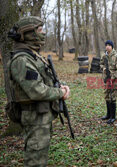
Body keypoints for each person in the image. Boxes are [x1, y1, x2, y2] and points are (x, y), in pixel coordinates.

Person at [7, 16, 70, 166]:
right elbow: (37, 90)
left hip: (40, 116)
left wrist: (58, 87)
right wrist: (61, 93)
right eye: (40, 30)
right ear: (28, 33)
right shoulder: (22, 60)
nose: (43, 33)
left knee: (40, 156)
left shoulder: (32, 56)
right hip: (34, 116)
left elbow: (42, 81)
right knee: (35, 160)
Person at [100, 40, 117, 124]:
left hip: (113, 79)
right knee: (107, 95)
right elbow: (101, 64)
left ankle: (113, 116)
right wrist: (103, 67)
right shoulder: (104, 55)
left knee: (112, 97)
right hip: (106, 78)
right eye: (106, 45)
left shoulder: (116, 55)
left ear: (112, 46)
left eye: (109, 45)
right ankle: (108, 114)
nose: (107, 47)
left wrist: (113, 77)